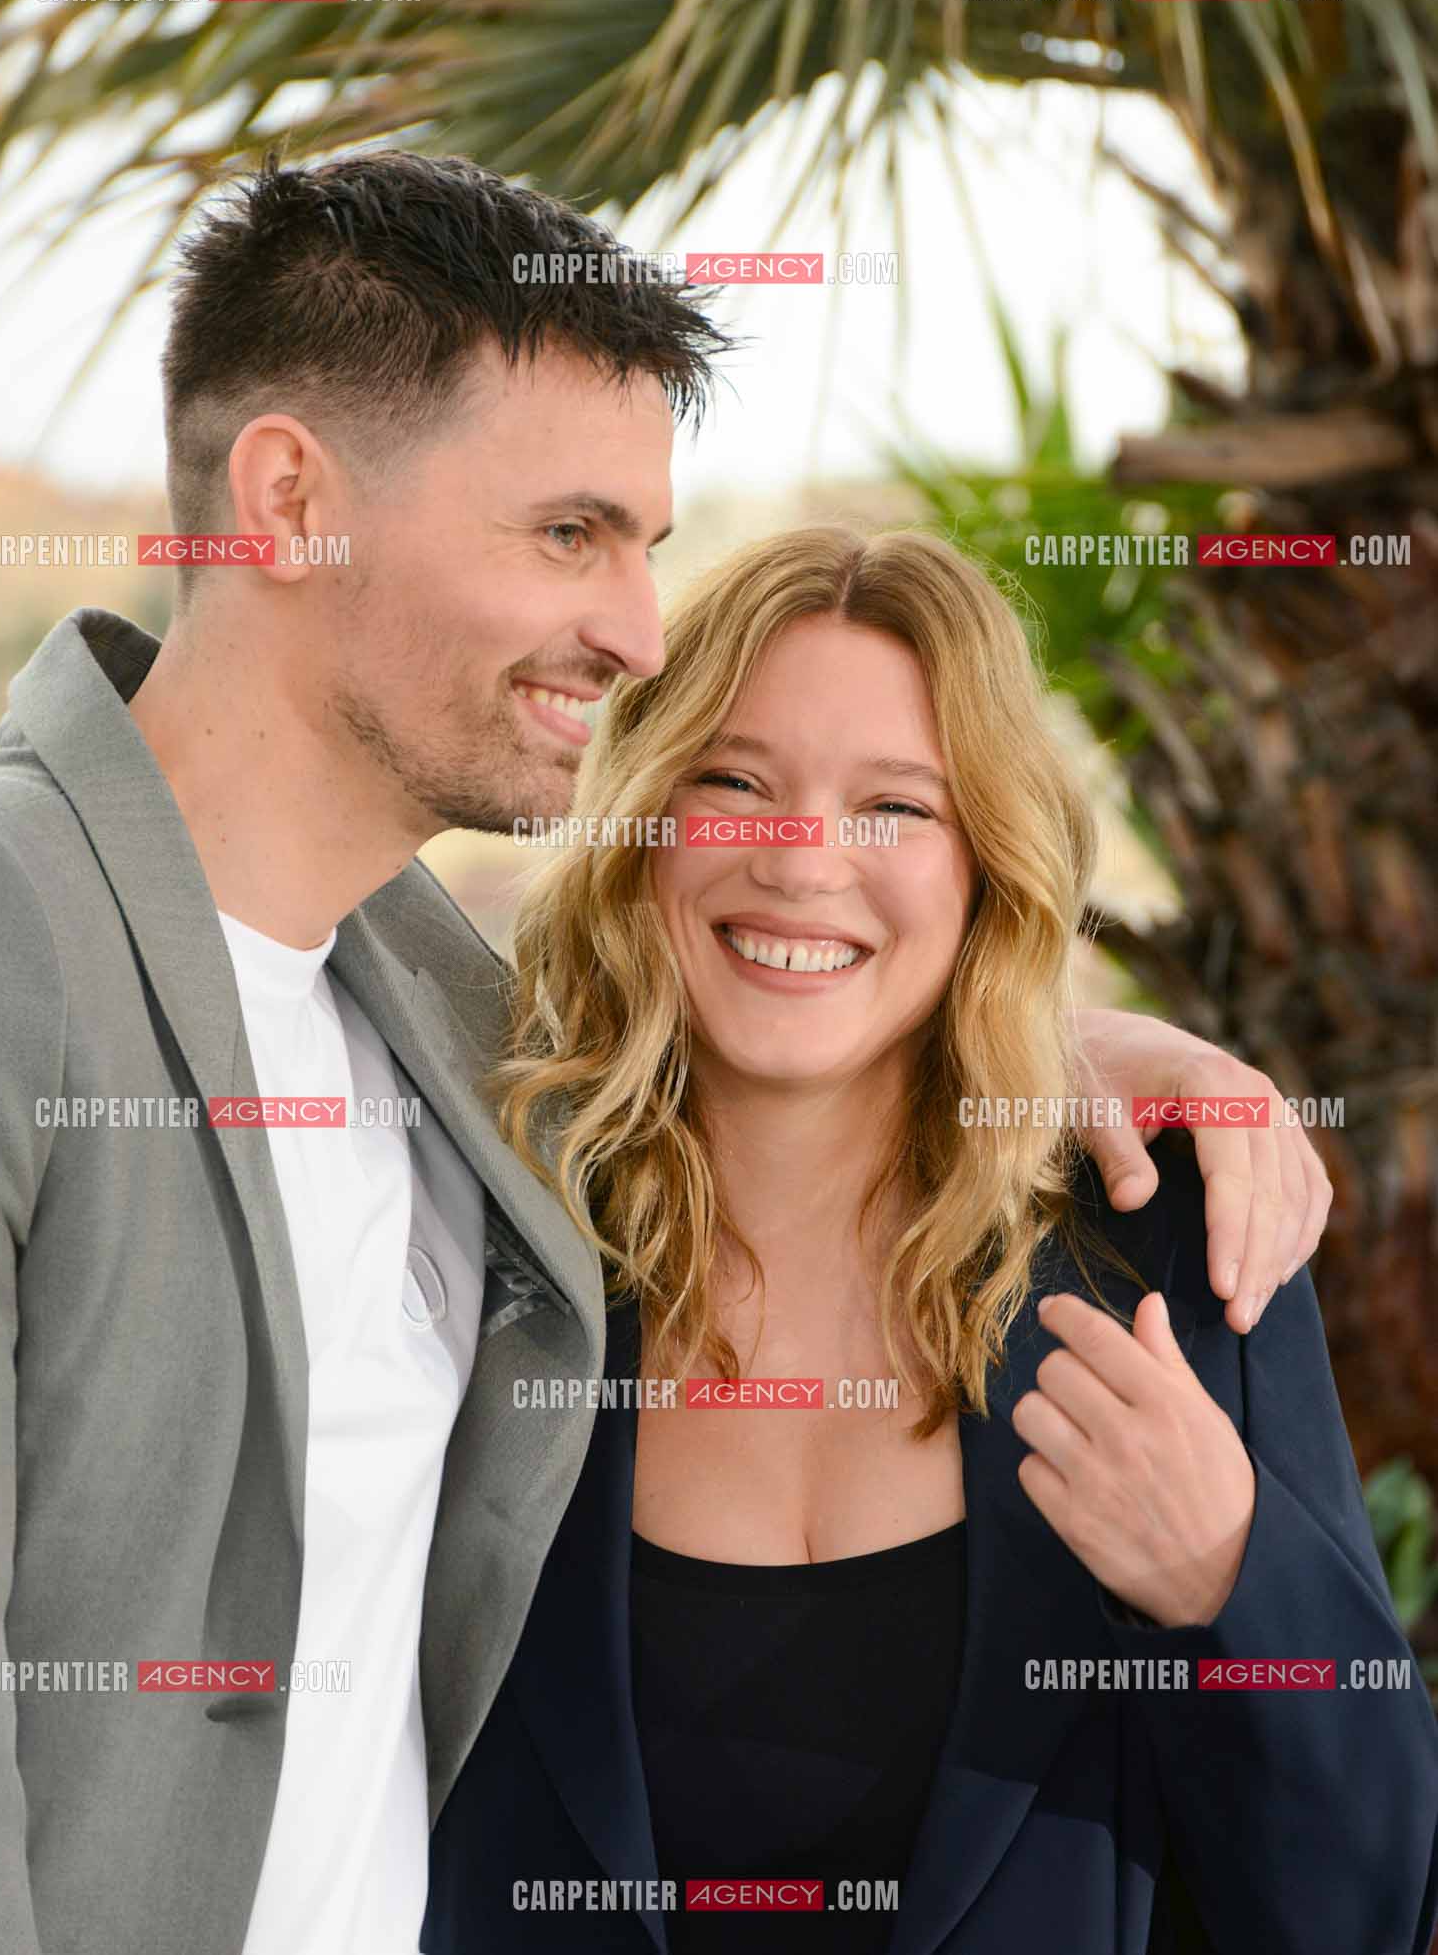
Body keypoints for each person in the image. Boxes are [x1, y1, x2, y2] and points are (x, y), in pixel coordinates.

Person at [0, 149, 1327, 1955]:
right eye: (568, 532)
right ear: (287, 501)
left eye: (648, 547)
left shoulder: (442, 1029)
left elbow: (767, 1003)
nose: (637, 631)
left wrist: (1041, 1027)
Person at [421, 523, 1438, 1955]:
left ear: (985, 871)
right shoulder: (479, 1239)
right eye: (734, 781)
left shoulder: (1173, 1247)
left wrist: (1231, 1571)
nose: (804, 862)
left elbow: (1368, 1903)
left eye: (895, 806)